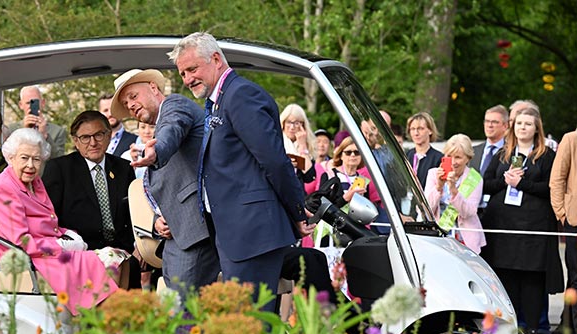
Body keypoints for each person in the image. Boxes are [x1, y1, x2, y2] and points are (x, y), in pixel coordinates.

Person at [157, 32, 313, 310]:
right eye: (182, 73)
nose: (188, 79)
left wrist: (297, 211)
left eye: (192, 69)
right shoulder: (218, 101)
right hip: (234, 236)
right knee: (243, 325)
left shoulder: (241, 95)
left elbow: (275, 161)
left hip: (252, 234)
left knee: (251, 324)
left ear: (216, 59)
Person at [0, 128, 118, 314]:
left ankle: (108, 322)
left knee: (118, 258)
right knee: (99, 260)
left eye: (36, 159)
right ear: (11, 157)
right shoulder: (3, 188)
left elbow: (49, 223)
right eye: (24, 158)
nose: (31, 165)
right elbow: (20, 241)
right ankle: (102, 323)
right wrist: (60, 246)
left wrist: (68, 234)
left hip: (45, 249)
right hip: (29, 256)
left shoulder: (34, 182)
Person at [112, 68, 220, 294]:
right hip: (177, 237)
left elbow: (172, 130)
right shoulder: (159, 126)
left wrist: (156, 152)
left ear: (153, 87)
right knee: (177, 314)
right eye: (126, 103)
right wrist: (158, 221)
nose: (131, 105)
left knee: (183, 314)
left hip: (194, 233)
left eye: (133, 96)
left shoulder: (173, 106)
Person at [480, 107, 562, 334]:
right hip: (505, 228)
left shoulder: (546, 155)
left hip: (533, 230)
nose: (523, 127)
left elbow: (550, 188)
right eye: (519, 123)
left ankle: (534, 332)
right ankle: (513, 331)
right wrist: (506, 180)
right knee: (508, 279)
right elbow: (487, 184)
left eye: (528, 124)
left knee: (531, 281)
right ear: (513, 127)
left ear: (537, 128)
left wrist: (522, 183)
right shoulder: (503, 154)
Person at [41, 110, 140, 288]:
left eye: (99, 135)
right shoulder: (59, 169)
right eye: (85, 137)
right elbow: (49, 219)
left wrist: (139, 248)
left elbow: (135, 214)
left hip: (123, 254)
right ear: (76, 141)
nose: (93, 143)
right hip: (82, 256)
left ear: (109, 135)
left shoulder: (123, 168)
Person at [423, 134, 485, 254]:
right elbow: (426, 209)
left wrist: (453, 190)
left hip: (465, 241)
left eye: (458, 157)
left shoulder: (475, 178)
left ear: (468, 158)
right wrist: (439, 187)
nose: (453, 162)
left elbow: (469, 212)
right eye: (449, 156)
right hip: (437, 238)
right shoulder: (433, 174)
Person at [550, 130, 577, 334]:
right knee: (576, 279)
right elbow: (557, 179)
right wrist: (563, 213)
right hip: (575, 221)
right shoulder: (571, 139)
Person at [7, 86, 67, 159]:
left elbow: (59, 160)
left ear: (43, 103)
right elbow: (9, 157)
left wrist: (44, 136)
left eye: (35, 102)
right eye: (28, 103)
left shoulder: (58, 131)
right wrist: (25, 131)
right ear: (21, 105)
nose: (31, 106)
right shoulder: (11, 130)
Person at [329, 137, 381, 206]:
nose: (353, 155)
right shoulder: (330, 175)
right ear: (341, 155)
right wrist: (346, 198)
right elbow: (323, 206)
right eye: (348, 152)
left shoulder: (362, 180)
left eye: (357, 152)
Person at [405, 112, 442, 190]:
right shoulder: (406, 156)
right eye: (412, 129)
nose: (416, 133)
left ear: (430, 131)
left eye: (420, 128)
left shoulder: (438, 158)